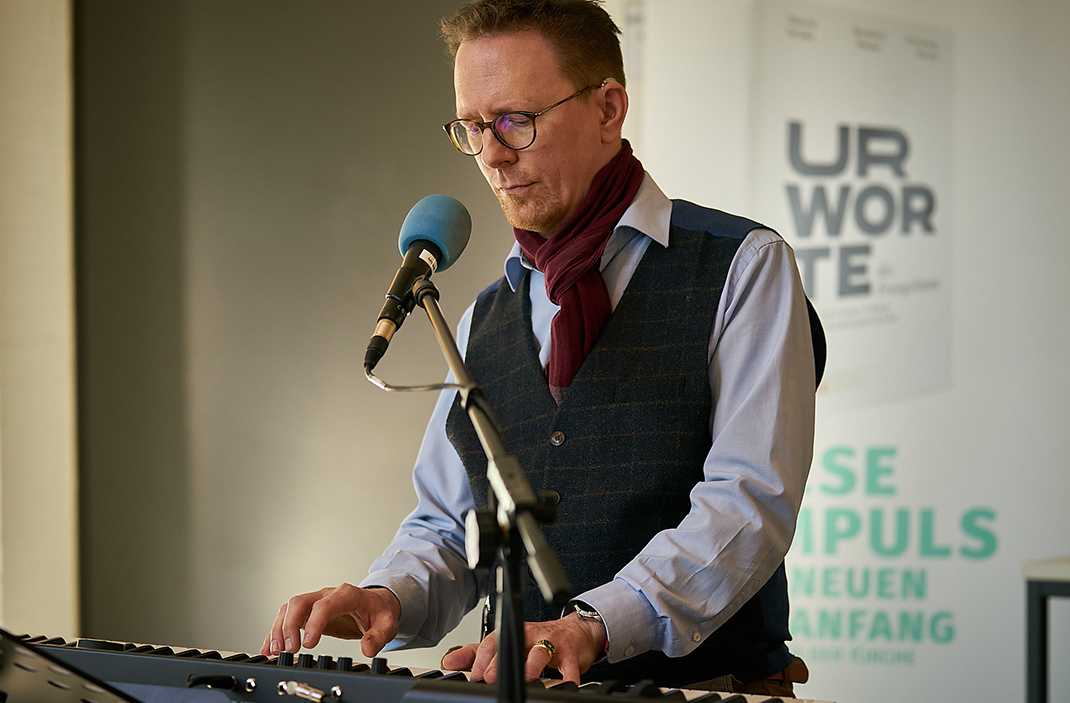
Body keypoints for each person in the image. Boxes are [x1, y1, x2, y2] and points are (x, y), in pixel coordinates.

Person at [263, 0, 820, 696]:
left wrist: (594, 622)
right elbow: (449, 524)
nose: (492, 153)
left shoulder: (743, 266)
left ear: (608, 109)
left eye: (515, 120)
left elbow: (748, 504)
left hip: (710, 688)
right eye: (472, 126)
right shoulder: (480, 321)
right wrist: (389, 596)